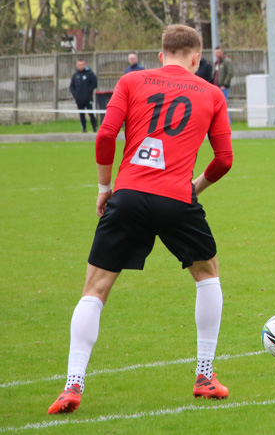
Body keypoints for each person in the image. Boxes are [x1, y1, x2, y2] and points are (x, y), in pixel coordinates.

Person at [47, 25, 233, 415]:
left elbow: (105, 135)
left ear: (161, 53)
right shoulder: (213, 93)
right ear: (197, 58)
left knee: (95, 289)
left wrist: (103, 187)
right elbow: (225, 160)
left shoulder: (132, 80)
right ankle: (204, 375)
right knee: (208, 274)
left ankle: (72, 384)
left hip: (128, 195)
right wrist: (194, 188)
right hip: (178, 199)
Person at [70, 59, 98, 133]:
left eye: (82, 65)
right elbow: (72, 86)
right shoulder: (75, 75)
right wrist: (75, 95)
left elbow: (95, 83)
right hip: (79, 99)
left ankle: (95, 127)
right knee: (81, 114)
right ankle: (84, 128)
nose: (81, 66)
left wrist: (89, 91)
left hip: (88, 98)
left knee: (91, 113)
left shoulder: (90, 74)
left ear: (84, 65)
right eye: (79, 65)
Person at [213, 47, 233, 122]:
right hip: (216, 88)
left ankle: (228, 122)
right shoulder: (217, 62)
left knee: (224, 105)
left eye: (218, 52)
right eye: (216, 52)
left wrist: (224, 84)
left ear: (222, 52)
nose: (217, 54)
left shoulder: (227, 61)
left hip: (223, 88)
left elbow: (230, 73)